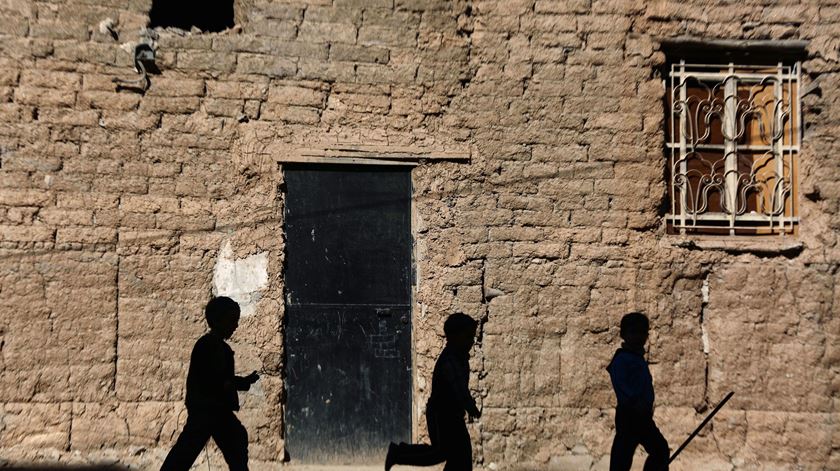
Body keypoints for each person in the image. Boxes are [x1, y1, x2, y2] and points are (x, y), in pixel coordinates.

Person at [161, 296, 260, 471]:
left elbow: (222, 379)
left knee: (233, 442)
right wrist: (237, 384)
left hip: (213, 410)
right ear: (218, 321)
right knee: (186, 452)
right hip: (207, 410)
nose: (235, 326)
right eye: (232, 321)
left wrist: (243, 382)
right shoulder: (209, 346)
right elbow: (215, 380)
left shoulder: (217, 346)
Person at [384, 313, 480, 471]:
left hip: (452, 415)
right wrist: (470, 407)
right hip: (442, 415)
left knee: (459, 456)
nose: (472, 341)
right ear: (455, 337)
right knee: (442, 453)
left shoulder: (459, 357)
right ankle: (398, 453)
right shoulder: (450, 361)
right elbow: (459, 389)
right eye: (468, 336)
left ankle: (398, 453)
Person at [607, 312, 669, 471]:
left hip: (642, 416)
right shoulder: (622, 359)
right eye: (634, 332)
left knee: (660, 450)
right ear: (624, 334)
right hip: (630, 415)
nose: (639, 337)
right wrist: (636, 404)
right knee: (622, 458)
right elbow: (622, 387)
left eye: (643, 332)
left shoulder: (636, 358)